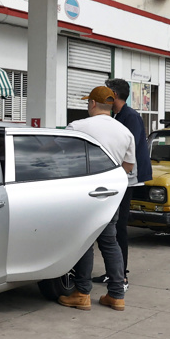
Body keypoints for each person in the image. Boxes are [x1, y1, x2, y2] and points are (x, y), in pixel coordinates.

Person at [58, 86, 135, 312]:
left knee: (84, 241)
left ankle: (82, 293)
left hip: (82, 194)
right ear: (110, 105)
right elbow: (128, 167)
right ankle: (116, 296)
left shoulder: (77, 127)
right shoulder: (125, 132)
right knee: (110, 242)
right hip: (111, 194)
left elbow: (62, 158)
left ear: (92, 103)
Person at [105, 78, 152, 283]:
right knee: (113, 226)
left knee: (119, 226)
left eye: (106, 91)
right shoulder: (117, 115)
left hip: (128, 177)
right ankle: (113, 271)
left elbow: (126, 147)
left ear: (114, 94)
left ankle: (120, 274)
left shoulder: (130, 116)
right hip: (119, 176)